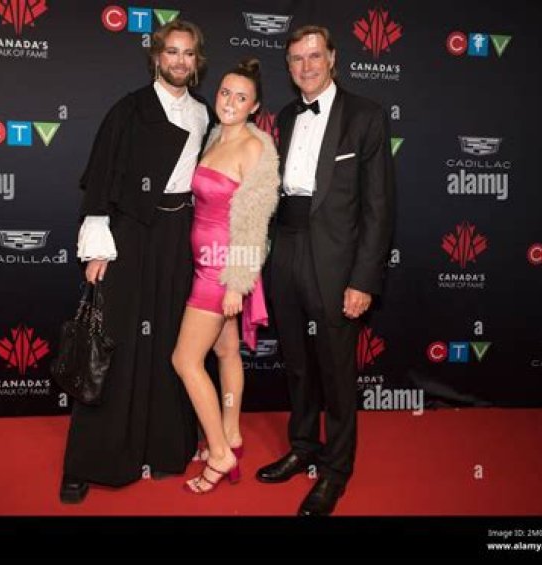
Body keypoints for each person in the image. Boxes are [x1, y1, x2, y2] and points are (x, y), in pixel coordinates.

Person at [59, 20, 213, 503]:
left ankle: (163, 448)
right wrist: (97, 244)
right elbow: (101, 176)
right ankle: (88, 462)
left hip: (178, 235)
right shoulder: (128, 109)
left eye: (188, 53)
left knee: (169, 339)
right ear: (156, 57)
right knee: (115, 341)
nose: (180, 61)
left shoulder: (204, 114)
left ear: (197, 62)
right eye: (172, 52)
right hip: (129, 233)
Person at [255, 26, 395, 515]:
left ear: (332, 57)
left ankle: (335, 470)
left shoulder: (366, 116)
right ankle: (302, 446)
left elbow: (379, 208)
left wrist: (363, 280)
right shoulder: (285, 116)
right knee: (296, 361)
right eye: (296, 59)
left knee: (335, 370)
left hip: (336, 260)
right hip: (287, 248)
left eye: (314, 56)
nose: (306, 66)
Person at [171, 58, 279, 494]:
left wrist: (238, 282)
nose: (231, 102)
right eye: (225, 93)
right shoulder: (215, 135)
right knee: (227, 350)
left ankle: (219, 453)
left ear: (255, 107)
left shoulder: (254, 149)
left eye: (241, 97)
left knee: (185, 360)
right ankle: (231, 431)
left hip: (222, 268)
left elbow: (255, 223)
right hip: (205, 261)